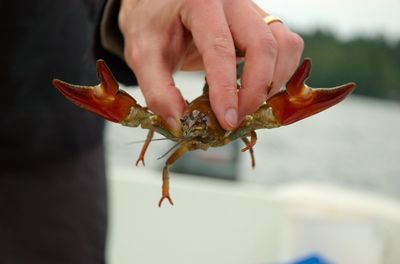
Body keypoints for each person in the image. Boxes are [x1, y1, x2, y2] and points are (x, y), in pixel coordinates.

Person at [0, 0, 303, 263]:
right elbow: (157, 138)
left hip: (51, 152)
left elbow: (249, 127)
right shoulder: (179, 134)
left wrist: (126, 7)